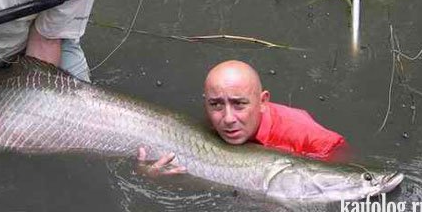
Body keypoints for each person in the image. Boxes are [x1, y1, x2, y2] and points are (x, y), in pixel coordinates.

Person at [138, 60, 347, 175]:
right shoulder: (207, 127)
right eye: (216, 104)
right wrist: (147, 174)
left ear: (263, 101)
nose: (228, 118)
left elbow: (344, 174)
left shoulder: (306, 134)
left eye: (239, 104)